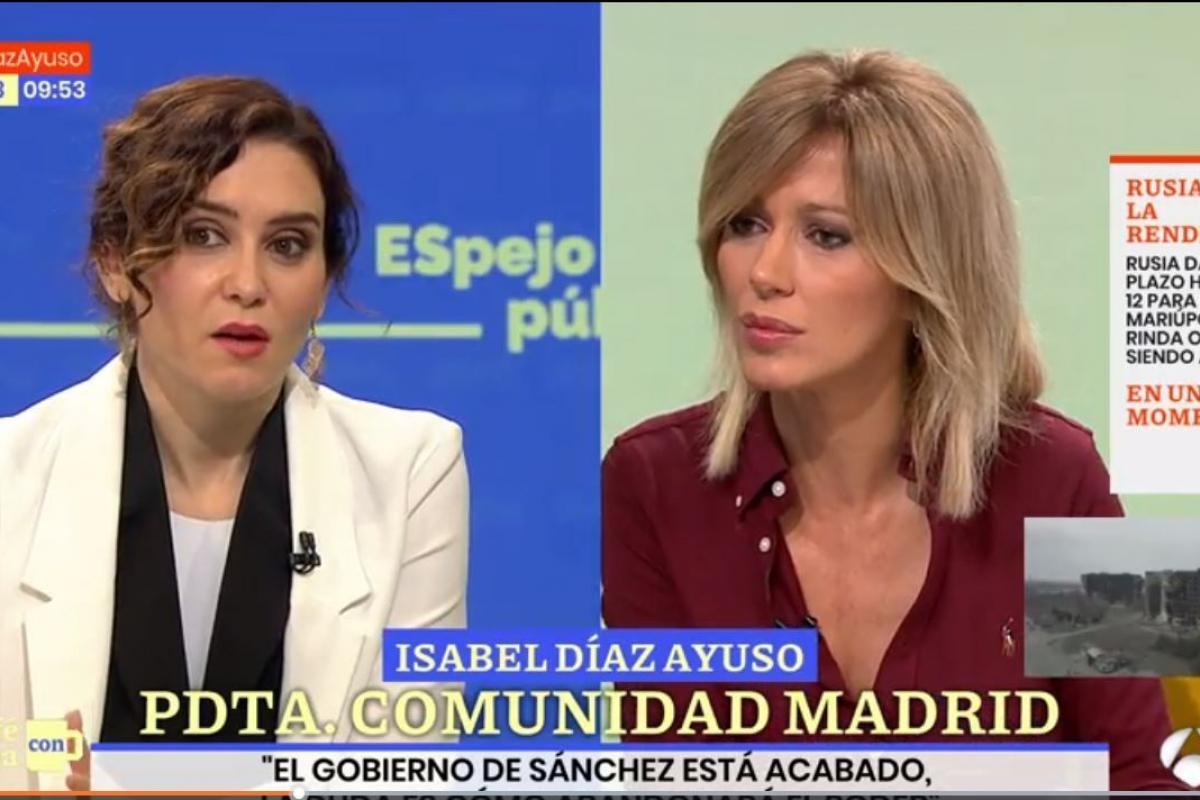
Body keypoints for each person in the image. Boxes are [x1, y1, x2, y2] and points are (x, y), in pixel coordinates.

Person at [601, 50, 1183, 791]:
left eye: (826, 235)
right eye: (745, 224)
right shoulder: (650, 481)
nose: (765, 273)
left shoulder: (1062, 474)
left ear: (925, 272)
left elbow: (1152, 776)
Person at [0, 76, 469, 790]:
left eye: (287, 245)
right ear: (116, 262)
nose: (249, 283)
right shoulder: (10, 476)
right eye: (204, 236)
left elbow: (411, 767)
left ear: (323, 280)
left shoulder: (409, 469)